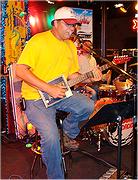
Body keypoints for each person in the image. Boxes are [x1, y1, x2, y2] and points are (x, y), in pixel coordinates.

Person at [15, 7, 101, 179]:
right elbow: (20, 71)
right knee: (51, 137)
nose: (72, 29)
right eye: (68, 25)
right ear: (55, 23)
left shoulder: (70, 46)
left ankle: (68, 132)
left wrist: (90, 78)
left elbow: (73, 75)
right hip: (36, 98)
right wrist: (48, 88)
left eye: (74, 26)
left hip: (61, 93)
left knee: (88, 105)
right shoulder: (38, 41)